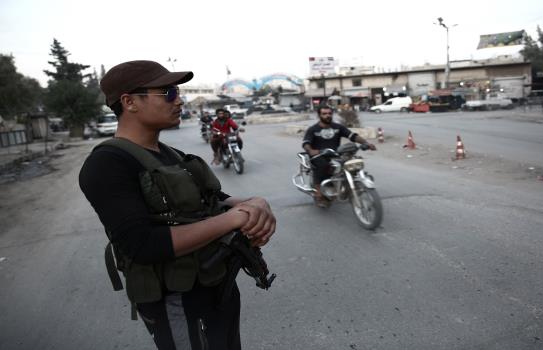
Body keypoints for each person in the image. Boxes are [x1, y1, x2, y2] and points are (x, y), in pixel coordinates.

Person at [78, 60, 275, 350]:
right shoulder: (106, 164)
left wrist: (255, 204)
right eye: (168, 93)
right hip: (177, 302)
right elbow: (142, 244)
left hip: (217, 287)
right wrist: (234, 219)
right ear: (130, 101)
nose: (180, 99)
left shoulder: (172, 154)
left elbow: (213, 201)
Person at [301, 104, 377, 207]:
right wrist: (311, 151)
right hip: (319, 155)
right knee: (322, 166)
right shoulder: (313, 129)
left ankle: (352, 184)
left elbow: (352, 136)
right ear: (319, 115)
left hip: (335, 154)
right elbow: (306, 143)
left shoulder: (338, 127)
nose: (327, 115)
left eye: (329, 113)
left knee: (352, 162)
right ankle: (318, 194)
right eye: (324, 114)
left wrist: (366, 143)